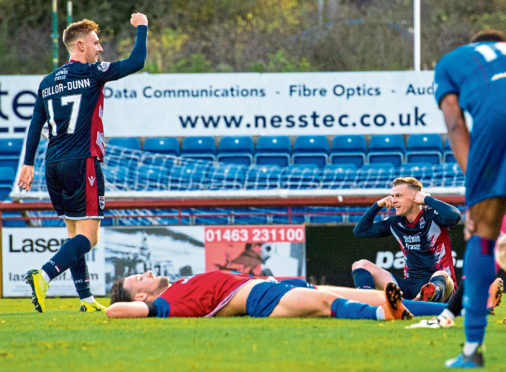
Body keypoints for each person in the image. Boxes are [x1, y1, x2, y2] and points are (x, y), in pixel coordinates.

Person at [18, 13, 149, 313]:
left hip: (53, 165)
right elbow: (136, 61)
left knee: (74, 235)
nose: (100, 49)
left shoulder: (47, 82)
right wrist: (141, 26)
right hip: (83, 162)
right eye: (96, 43)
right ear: (79, 46)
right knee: (88, 238)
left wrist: (27, 164)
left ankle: (86, 299)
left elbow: (36, 123)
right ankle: (44, 274)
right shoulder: (92, 73)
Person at [434, 29, 506, 368]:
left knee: (482, 236)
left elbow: (454, 122)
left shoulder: (452, 62)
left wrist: (475, 188)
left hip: (496, 122)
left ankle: (472, 350)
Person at [106, 270, 414, 321]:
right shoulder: (163, 305)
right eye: (139, 279)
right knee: (324, 304)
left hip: (266, 285)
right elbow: (113, 312)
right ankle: (385, 314)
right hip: (256, 296)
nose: (146, 273)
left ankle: (446, 308)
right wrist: (127, 307)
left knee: (368, 295)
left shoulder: (174, 289)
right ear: (141, 298)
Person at [351, 177, 461, 303]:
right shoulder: (395, 223)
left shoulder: (433, 216)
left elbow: (455, 216)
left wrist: (427, 199)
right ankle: (367, 303)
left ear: (415, 198)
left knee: (442, 275)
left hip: (442, 288)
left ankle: (428, 297)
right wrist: (377, 205)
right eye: (392, 196)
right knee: (361, 265)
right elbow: (360, 231)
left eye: (398, 196)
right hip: (410, 287)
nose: (394, 201)